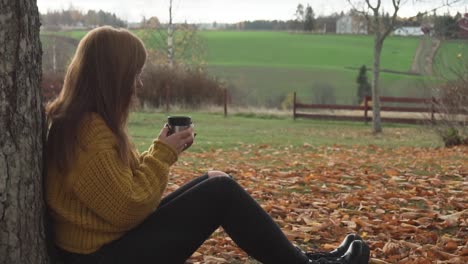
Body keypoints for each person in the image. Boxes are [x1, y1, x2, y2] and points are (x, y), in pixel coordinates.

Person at [45, 26, 370, 264]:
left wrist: (159, 149)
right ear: (113, 77)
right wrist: (163, 154)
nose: (137, 84)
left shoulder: (87, 123)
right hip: (102, 256)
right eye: (134, 75)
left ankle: (302, 259)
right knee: (220, 193)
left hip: (107, 247)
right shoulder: (87, 131)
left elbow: (118, 190)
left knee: (217, 180)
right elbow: (128, 207)